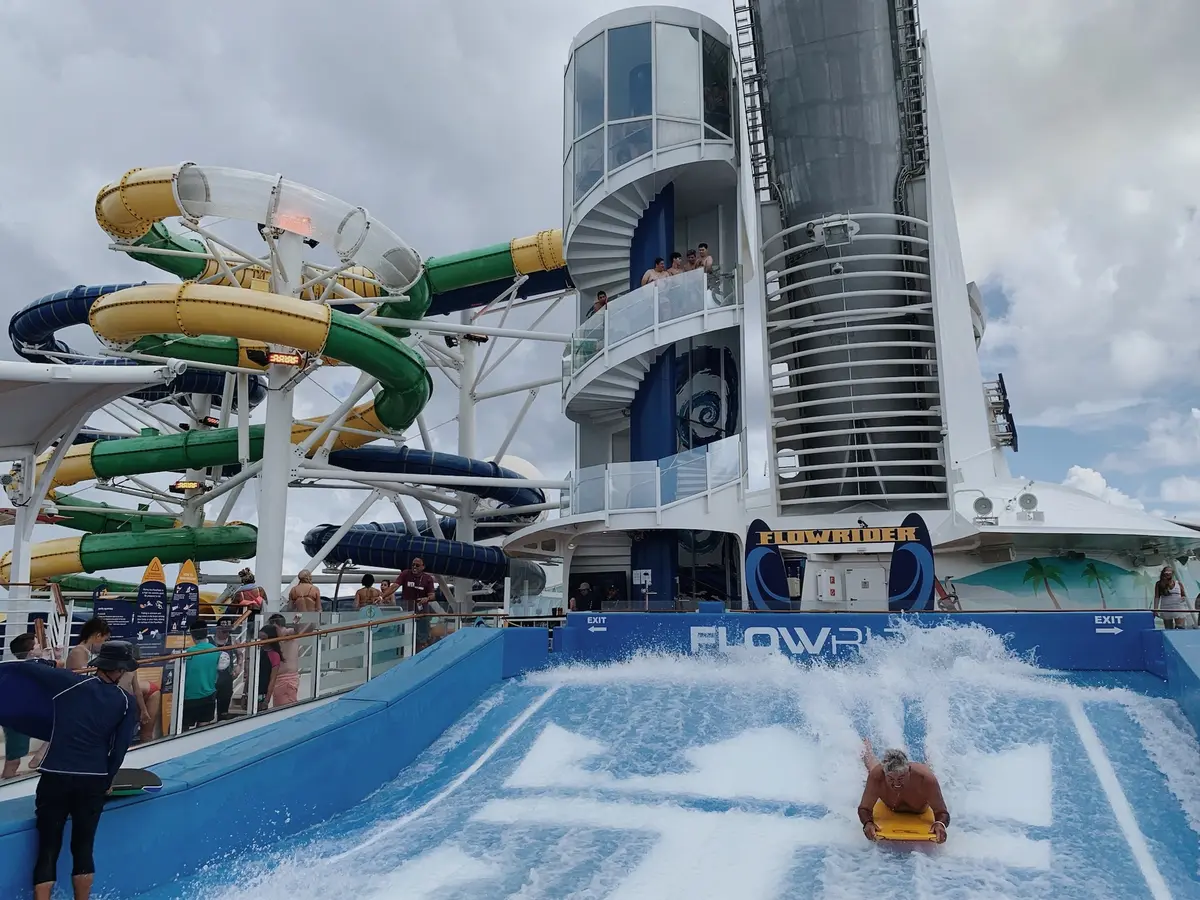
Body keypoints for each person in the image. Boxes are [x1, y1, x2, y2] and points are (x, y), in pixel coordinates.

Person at [21, 640, 139, 900]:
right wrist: (107, 779)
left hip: (55, 775)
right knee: (83, 847)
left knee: (48, 848)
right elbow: (118, 750)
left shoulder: (69, 684)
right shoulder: (127, 702)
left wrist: (48, 662)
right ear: (119, 670)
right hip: (93, 779)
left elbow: (31, 668)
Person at [858, 741, 949, 843]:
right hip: (888, 801)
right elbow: (864, 808)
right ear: (885, 774)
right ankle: (866, 747)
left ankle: (931, 754)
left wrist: (940, 824)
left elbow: (942, 812)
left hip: (919, 809)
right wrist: (867, 823)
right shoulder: (878, 776)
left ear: (909, 771)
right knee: (872, 769)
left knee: (929, 769)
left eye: (901, 778)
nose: (896, 784)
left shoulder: (925, 780)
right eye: (891, 779)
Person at [3, 633, 55, 780]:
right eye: (38, 644)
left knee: (16, 751)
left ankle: (36, 759)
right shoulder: (30, 668)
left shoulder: (21, 667)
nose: (41, 646)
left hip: (23, 715)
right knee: (15, 755)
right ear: (31, 651)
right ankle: (8, 777)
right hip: (18, 717)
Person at [181, 620, 219, 731]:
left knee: (183, 729)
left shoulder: (186, 654)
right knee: (203, 729)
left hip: (189, 696)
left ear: (192, 635)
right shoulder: (217, 651)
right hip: (209, 694)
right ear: (207, 632)